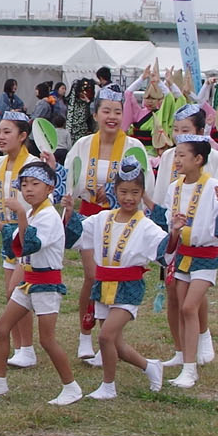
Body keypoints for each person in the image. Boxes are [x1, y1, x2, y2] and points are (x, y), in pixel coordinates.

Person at [0, 159, 81, 405]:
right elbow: (18, 234)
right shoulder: (34, 212)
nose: (29, 189)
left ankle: (71, 387)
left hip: (46, 284)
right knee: (2, 328)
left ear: (50, 188)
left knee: (47, 340)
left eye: (35, 184)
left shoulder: (49, 217)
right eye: (24, 184)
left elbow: (29, 242)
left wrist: (19, 212)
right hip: (29, 281)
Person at [61, 86, 150, 366]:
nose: (112, 117)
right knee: (92, 275)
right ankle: (85, 334)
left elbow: (143, 186)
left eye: (117, 112)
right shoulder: (83, 145)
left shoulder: (134, 147)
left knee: (113, 278)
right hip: (90, 217)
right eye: (106, 111)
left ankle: (107, 340)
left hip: (120, 220)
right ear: (95, 113)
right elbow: (69, 179)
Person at [76, 159, 169, 398]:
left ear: (142, 193)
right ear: (114, 191)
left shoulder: (146, 226)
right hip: (103, 285)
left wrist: (176, 232)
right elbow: (76, 233)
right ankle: (150, 366)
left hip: (128, 287)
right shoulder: (102, 218)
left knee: (105, 335)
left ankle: (108, 386)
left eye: (135, 192)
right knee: (115, 344)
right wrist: (68, 211)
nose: (129, 198)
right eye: (123, 192)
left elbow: (166, 249)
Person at [151, 129, 218, 383]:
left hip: (205, 256)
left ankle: (190, 369)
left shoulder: (213, 186)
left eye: (181, 156)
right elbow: (169, 224)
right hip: (182, 254)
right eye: (175, 156)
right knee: (181, 307)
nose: (176, 161)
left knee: (190, 306)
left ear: (198, 159)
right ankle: (187, 360)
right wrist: (174, 231)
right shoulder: (174, 188)